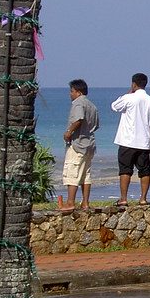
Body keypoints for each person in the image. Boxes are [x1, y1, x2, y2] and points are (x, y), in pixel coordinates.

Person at [111, 73, 150, 206]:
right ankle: (143, 198)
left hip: (128, 140)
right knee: (144, 171)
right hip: (143, 141)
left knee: (125, 170)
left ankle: (123, 198)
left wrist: (129, 92)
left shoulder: (129, 98)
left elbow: (114, 106)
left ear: (134, 84)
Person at [60, 79, 99, 212]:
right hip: (89, 143)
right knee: (85, 174)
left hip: (78, 143)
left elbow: (79, 119)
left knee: (72, 172)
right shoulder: (92, 105)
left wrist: (69, 132)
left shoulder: (78, 103)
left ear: (78, 92)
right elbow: (96, 125)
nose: (70, 94)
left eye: (72, 91)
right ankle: (85, 202)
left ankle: (70, 202)